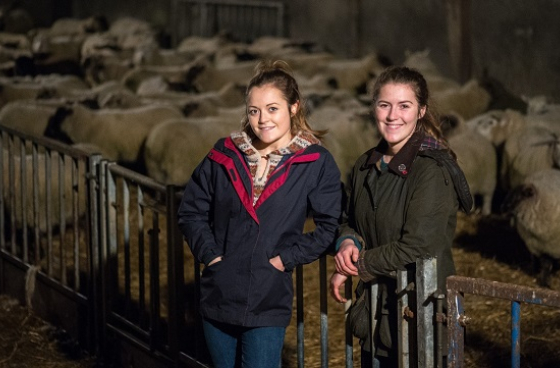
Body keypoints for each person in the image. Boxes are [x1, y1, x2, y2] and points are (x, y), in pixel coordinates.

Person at [178, 60, 342, 368]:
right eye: (254, 111)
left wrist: (284, 260)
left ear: (293, 107)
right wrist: (211, 256)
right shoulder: (224, 153)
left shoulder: (314, 162)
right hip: (219, 292)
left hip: (268, 297)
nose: (262, 119)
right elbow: (191, 210)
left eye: (272, 109)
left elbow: (329, 226)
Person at [329, 66, 473, 366]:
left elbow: (420, 246)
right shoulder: (365, 166)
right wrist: (346, 242)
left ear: (421, 111)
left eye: (404, 106)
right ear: (374, 109)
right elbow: (350, 219)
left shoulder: (432, 171)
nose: (393, 115)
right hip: (377, 314)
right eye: (384, 105)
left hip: (423, 315)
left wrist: (360, 263)